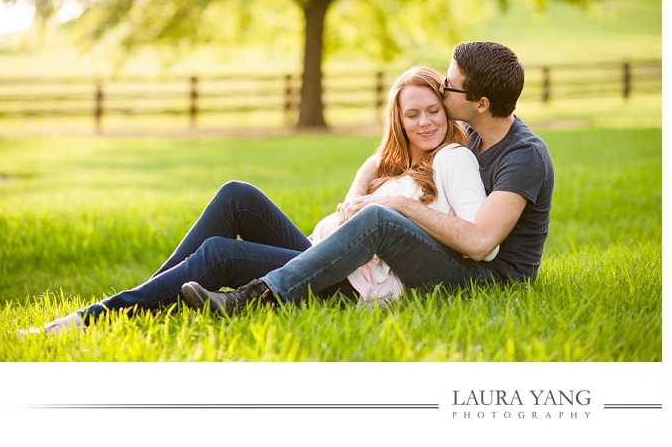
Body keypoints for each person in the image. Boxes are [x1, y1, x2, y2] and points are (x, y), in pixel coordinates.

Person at [32, 65, 490, 334]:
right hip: (317, 255)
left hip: (350, 288)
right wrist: (364, 186)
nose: (425, 122)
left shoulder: (452, 158)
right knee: (238, 195)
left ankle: (95, 319)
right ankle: (152, 296)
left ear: (447, 110)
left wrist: (397, 209)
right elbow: (365, 186)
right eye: (412, 114)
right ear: (399, 118)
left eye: (433, 110)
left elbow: (470, 237)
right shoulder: (389, 162)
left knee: (219, 254)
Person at [181, 41, 555, 315]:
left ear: (482, 103)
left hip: (486, 281)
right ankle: (143, 299)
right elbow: (386, 155)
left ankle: (254, 299)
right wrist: (358, 193)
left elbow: (481, 245)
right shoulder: (470, 130)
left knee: (380, 218)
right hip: (455, 261)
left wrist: (397, 204)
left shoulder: (523, 156)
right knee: (238, 197)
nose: (441, 88)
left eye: (449, 84)